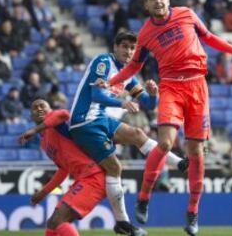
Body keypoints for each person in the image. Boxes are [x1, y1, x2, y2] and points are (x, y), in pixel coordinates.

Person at [95, 0, 232, 236]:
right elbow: (133, 68)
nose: (159, 1)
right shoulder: (145, 33)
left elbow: (208, 38)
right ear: (147, 4)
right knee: (164, 143)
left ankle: (193, 212)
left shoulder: (186, 13)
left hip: (197, 86)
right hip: (171, 88)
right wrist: (111, 82)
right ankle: (143, 198)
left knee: (196, 152)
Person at [69, 30, 188, 233]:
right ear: (115, 47)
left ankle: (182, 164)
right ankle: (122, 222)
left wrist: (154, 94)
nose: (128, 51)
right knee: (115, 168)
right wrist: (122, 102)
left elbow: (148, 104)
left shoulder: (129, 75)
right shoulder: (104, 62)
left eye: (132, 48)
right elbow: (96, 94)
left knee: (138, 135)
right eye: (124, 46)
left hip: (100, 119)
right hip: (83, 122)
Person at [18, 99, 147, 236]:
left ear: (50, 109)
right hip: (83, 179)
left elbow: (63, 114)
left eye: (42, 105)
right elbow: (63, 169)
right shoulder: (44, 142)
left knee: (58, 221)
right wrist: (44, 192)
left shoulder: (56, 123)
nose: (39, 109)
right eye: (34, 107)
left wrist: (34, 130)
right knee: (52, 224)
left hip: (94, 176)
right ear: (30, 115)